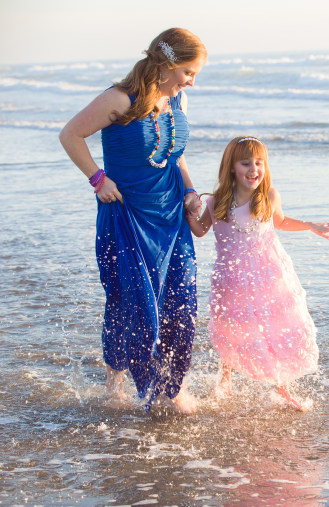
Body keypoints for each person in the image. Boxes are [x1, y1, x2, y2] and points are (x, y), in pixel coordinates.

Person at [58, 28, 206, 413]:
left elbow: (175, 156)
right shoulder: (119, 99)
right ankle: (117, 382)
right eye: (189, 71)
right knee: (132, 301)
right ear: (169, 64)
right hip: (127, 212)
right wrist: (97, 178)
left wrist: (190, 193)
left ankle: (173, 386)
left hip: (170, 215)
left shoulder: (179, 99)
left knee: (180, 301)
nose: (191, 81)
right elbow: (70, 134)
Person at [186, 136, 329, 410]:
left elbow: (280, 221)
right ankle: (225, 380)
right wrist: (187, 212)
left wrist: (310, 226)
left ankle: (283, 386)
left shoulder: (268, 196)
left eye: (259, 163)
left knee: (271, 327)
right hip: (231, 278)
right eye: (245, 163)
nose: (253, 169)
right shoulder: (216, 200)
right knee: (231, 326)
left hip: (266, 275)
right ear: (231, 167)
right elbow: (200, 230)